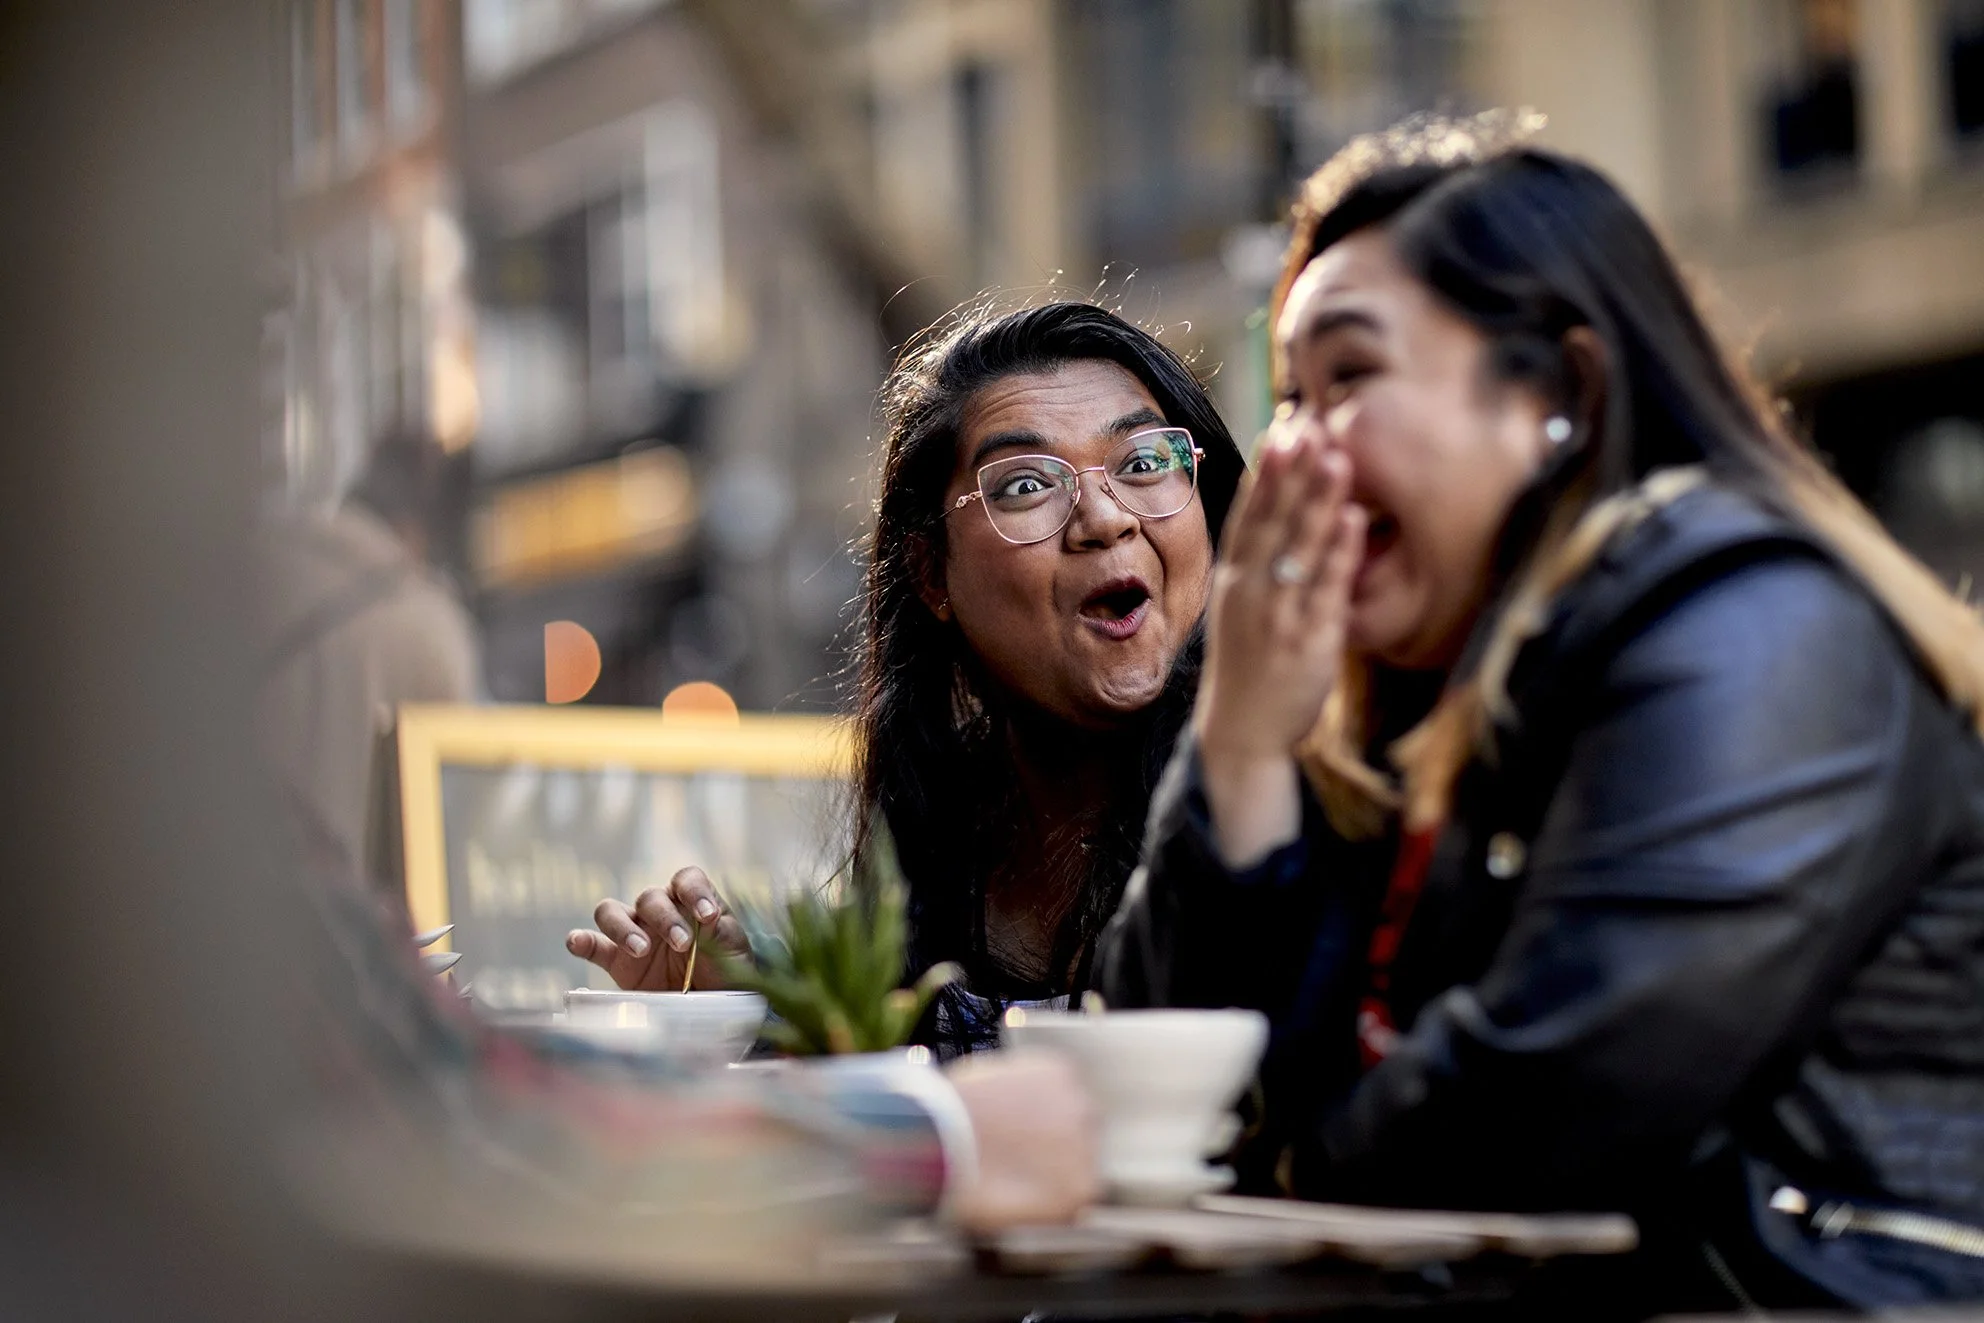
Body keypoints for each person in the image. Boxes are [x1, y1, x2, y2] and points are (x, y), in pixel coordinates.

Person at [1096, 112, 1984, 1312]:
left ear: (1557, 391)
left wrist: (1292, 1157)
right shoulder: (1413, 702)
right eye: (1286, 397)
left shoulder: (1758, 625)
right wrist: (1240, 749)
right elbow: (1165, 1099)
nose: (1291, 454)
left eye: (1347, 377)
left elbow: (1536, 1118)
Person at [566, 302, 1246, 1056]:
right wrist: (733, 1027)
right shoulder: (917, 879)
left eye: (1145, 463)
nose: (1104, 517)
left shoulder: (1293, 816)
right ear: (931, 574)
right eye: (1026, 485)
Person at [259, 432, 481, 883]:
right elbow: (456, 818)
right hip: (345, 927)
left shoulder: (257, 565)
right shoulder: (431, 627)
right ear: (421, 531)